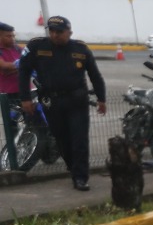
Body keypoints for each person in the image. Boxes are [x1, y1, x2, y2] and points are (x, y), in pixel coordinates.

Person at [17, 16, 106, 191]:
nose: (55, 35)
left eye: (59, 31)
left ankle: (80, 177)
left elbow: (95, 75)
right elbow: (23, 71)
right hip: (52, 102)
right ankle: (73, 167)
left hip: (77, 101)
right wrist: (25, 98)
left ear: (69, 32)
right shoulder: (37, 46)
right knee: (62, 139)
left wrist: (101, 99)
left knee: (79, 139)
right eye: (51, 31)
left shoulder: (80, 49)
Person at [0, 22, 23, 170]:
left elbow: (29, 62)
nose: (12, 38)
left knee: (33, 121)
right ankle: (13, 158)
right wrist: (20, 66)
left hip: (24, 91)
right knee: (12, 125)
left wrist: (12, 68)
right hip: (7, 94)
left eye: (13, 35)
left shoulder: (18, 48)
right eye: (8, 36)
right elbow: (3, 67)